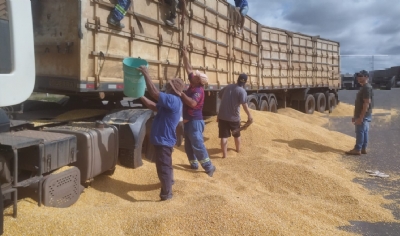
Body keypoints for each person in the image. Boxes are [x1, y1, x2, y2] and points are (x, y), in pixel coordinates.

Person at [137, 66, 184, 201]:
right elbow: (153, 105)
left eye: (168, 87)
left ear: (172, 90)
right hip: (164, 139)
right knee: (166, 165)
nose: (166, 88)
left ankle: (166, 194)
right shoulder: (171, 102)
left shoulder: (172, 99)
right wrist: (140, 96)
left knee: (163, 167)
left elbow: (154, 93)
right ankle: (170, 182)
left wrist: (146, 74)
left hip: (164, 139)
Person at [180, 47, 216, 176]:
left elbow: (192, 103)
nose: (194, 75)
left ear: (199, 81)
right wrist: (185, 54)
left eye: (197, 76)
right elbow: (188, 68)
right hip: (189, 121)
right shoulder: (193, 82)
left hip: (195, 122)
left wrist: (181, 93)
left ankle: (209, 167)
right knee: (188, 146)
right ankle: (193, 164)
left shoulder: (198, 91)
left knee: (197, 144)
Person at [217, 74, 253, 159]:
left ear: (237, 80)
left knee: (224, 136)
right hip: (234, 118)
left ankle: (224, 156)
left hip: (222, 116)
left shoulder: (228, 87)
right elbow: (244, 104)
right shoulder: (242, 91)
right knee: (237, 135)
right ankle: (238, 150)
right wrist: (249, 115)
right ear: (245, 82)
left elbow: (220, 96)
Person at [345, 70, 374, 155]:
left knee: (360, 132)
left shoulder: (366, 88)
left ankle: (357, 149)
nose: (358, 78)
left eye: (361, 76)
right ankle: (363, 148)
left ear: (366, 77)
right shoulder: (365, 87)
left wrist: (360, 117)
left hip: (363, 114)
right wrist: (355, 116)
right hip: (363, 114)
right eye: (358, 76)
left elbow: (366, 103)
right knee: (364, 131)